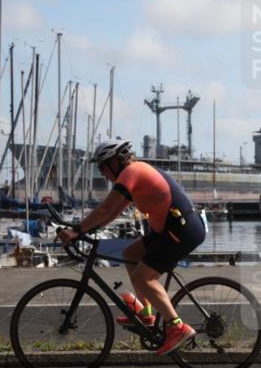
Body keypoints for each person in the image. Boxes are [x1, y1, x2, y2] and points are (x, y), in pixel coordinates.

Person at [58, 139, 206, 355]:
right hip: (170, 229)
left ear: (115, 162)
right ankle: (146, 314)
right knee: (131, 253)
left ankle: (177, 327)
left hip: (180, 230)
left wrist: (77, 231)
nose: (102, 173)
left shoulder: (132, 172)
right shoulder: (134, 174)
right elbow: (113, 212)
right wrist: (85, 230)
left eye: (102, 167)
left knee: (143, 277)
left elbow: (106, 207)